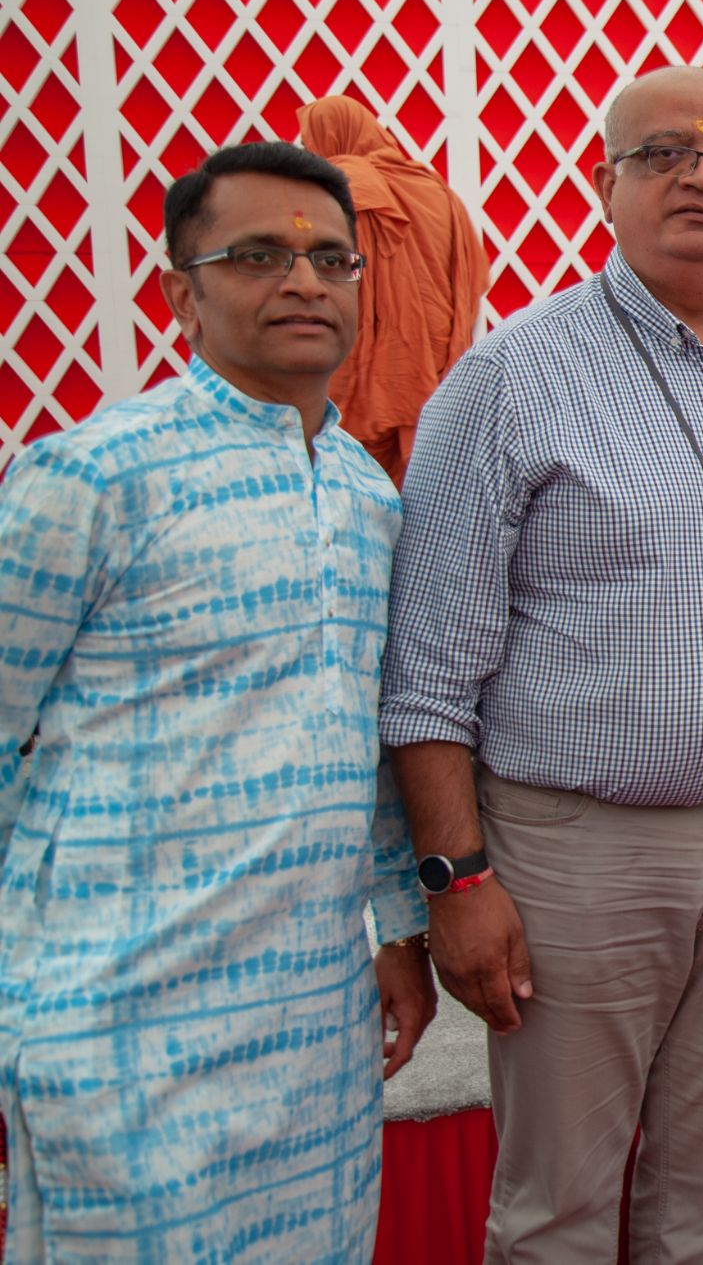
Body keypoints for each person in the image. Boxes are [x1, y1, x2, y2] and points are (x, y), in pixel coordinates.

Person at [380, 67, 703, 1263]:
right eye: (663, 154)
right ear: (604, 185)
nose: (701, 174)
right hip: (581, 856)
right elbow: (426, 670)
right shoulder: (511, 376)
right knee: (559, 1207)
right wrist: (456, 882)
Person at [0, 142, 434, 1261]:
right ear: (179, 292)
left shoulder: (368, 496)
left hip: (313, 1020)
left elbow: (368, 744)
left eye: (331, 260)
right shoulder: (89, 476)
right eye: (257, 257)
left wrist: (400, 927)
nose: (303, 282)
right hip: (116, 1015)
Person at [298, 94, 489, 485]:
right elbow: (469, 273)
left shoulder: (348, 188)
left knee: (361, 482)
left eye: (310, 140)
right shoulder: (432, 186)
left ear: (333, 135)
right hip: (439, 355)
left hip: (382, 366)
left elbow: (342, 283)